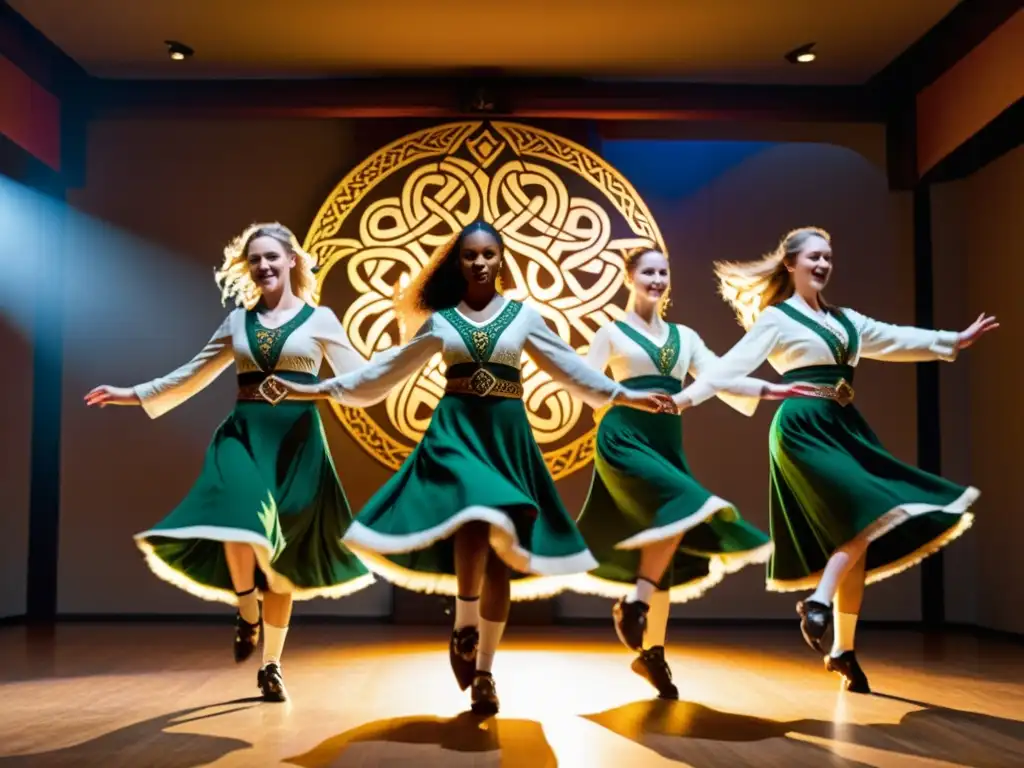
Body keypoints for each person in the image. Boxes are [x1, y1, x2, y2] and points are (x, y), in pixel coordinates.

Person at [272, 220, 675, 715]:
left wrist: (624, 394)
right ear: (458, 262)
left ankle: (484, 671)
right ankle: (464, 626)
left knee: (499, 555)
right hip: (456, 434)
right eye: (470, 256)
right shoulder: (441, 321)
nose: (479, 263)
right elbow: (384, 372)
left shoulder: (523, 317)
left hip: (506, 438)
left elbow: (571, 369)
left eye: (488, 255)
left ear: (500, 260)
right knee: (477, 514)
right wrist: (319, 388)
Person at [684, 226, 996, 692]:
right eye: (814, 257)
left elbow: (894, 338)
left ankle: (843, 650)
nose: (824, 265)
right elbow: (727, 369)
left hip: (843, 424)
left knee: (862, 535)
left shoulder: (846, 321)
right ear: (791, 264)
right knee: (861, 517)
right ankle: (818, 602)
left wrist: (953, 339)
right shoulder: (775, 320)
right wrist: (684, 400)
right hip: (801, 428)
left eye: (828, 257)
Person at [84, 223, 375, 702]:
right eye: (255, 259)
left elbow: (358, 379)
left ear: (292, 262)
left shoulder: (321, 320)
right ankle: (246, 610)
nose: (263, 266)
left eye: (272, 258)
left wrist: (407, 363)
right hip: (244, 435)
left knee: (283, 561)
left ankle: (272, 666)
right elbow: (194, 372)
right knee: (239, 519)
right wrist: (132, 394)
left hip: (299, 444)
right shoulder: (239, 322)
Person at [571, 247, 814, 699]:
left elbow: (720, 376)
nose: (658, 279)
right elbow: (588, 385)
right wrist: (626, 397)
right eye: (648, 271)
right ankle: (635, 605)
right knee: (681, 509)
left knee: (670, 531)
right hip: (624, 438)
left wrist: (770, 389)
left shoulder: (684, 337)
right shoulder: (611, 332)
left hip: (666, 442)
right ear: (630, 278)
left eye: (664, 271)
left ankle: (652, 651)